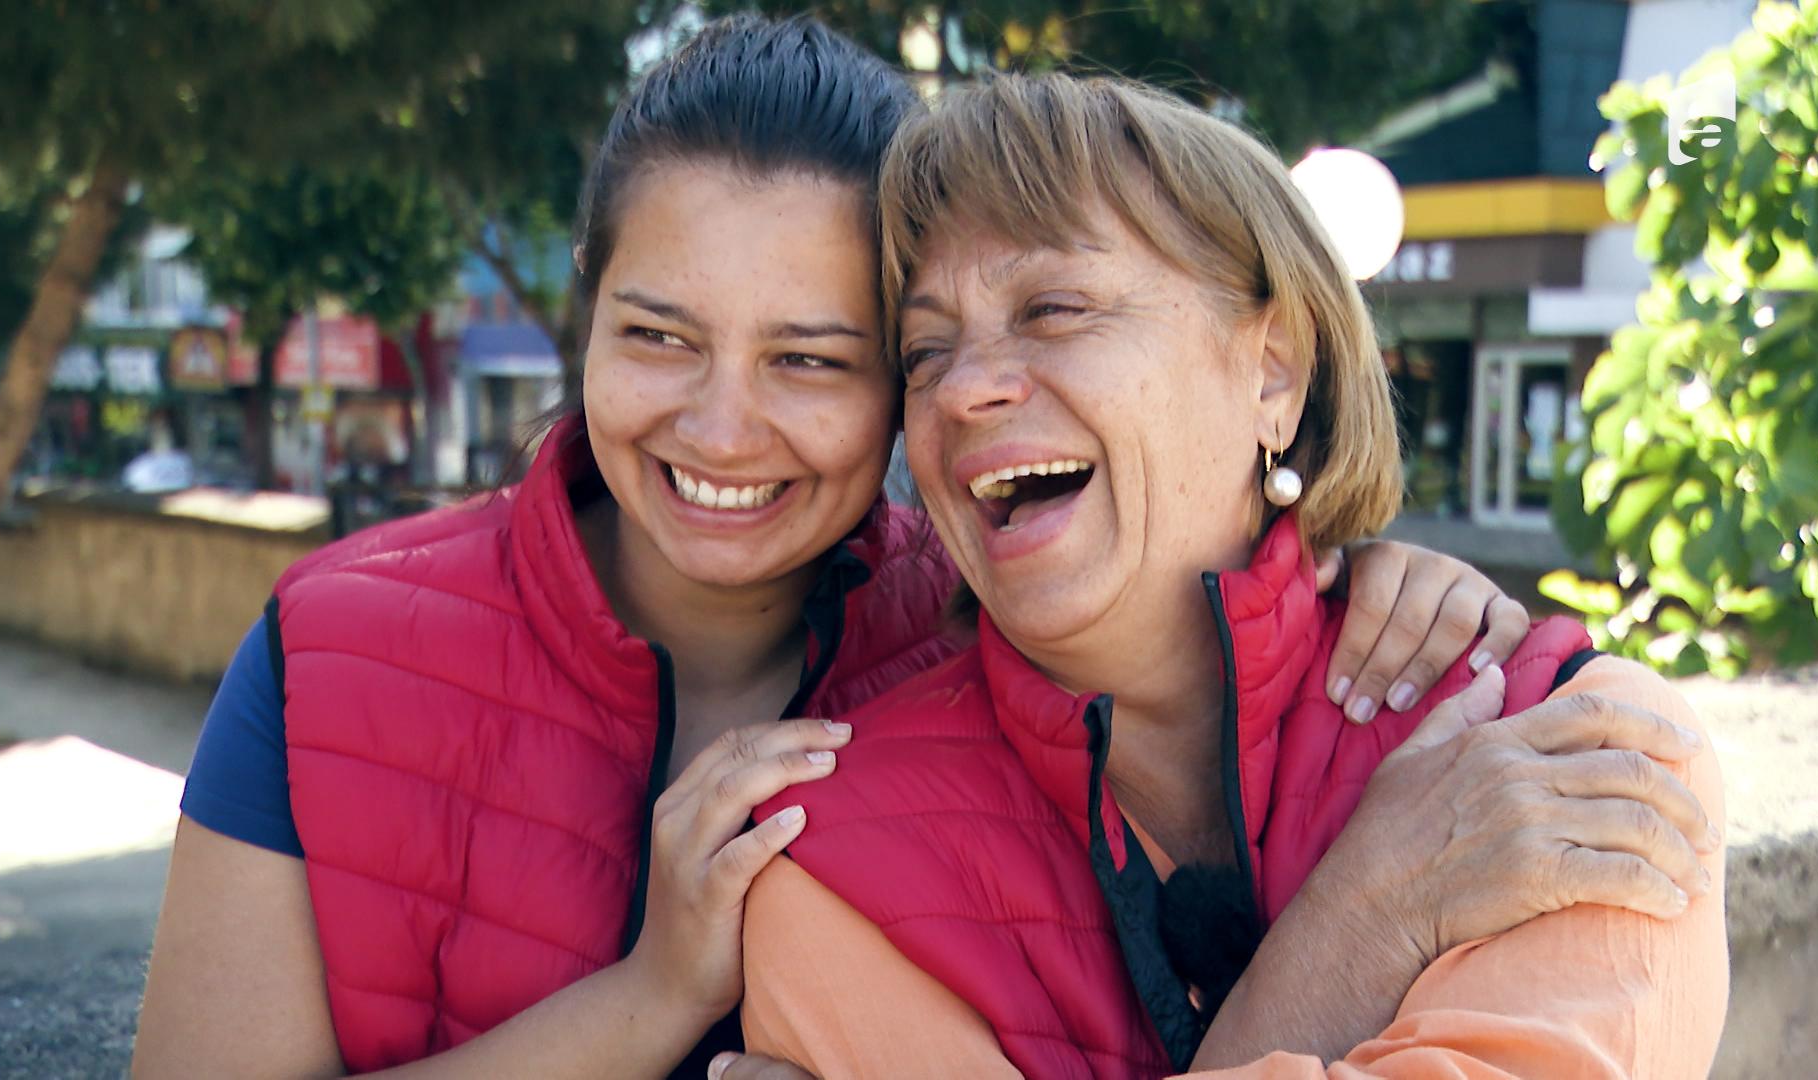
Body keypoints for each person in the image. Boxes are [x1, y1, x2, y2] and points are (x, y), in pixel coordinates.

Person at [129, 19, 1528, 1079]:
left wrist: (1356, 564)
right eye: (659, 336)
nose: (724, 426)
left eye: (814, 357)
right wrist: (653, 997)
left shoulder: (1005, 618)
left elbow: (1204, 598)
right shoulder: (341, 652)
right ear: (583, 325)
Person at [736, 73, 1728, 1078]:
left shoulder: (1572, 736)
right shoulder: (829, 866)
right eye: (925, 349)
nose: (963, 389)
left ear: (1274, 375)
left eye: (1053, 307)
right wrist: (1368, 914)